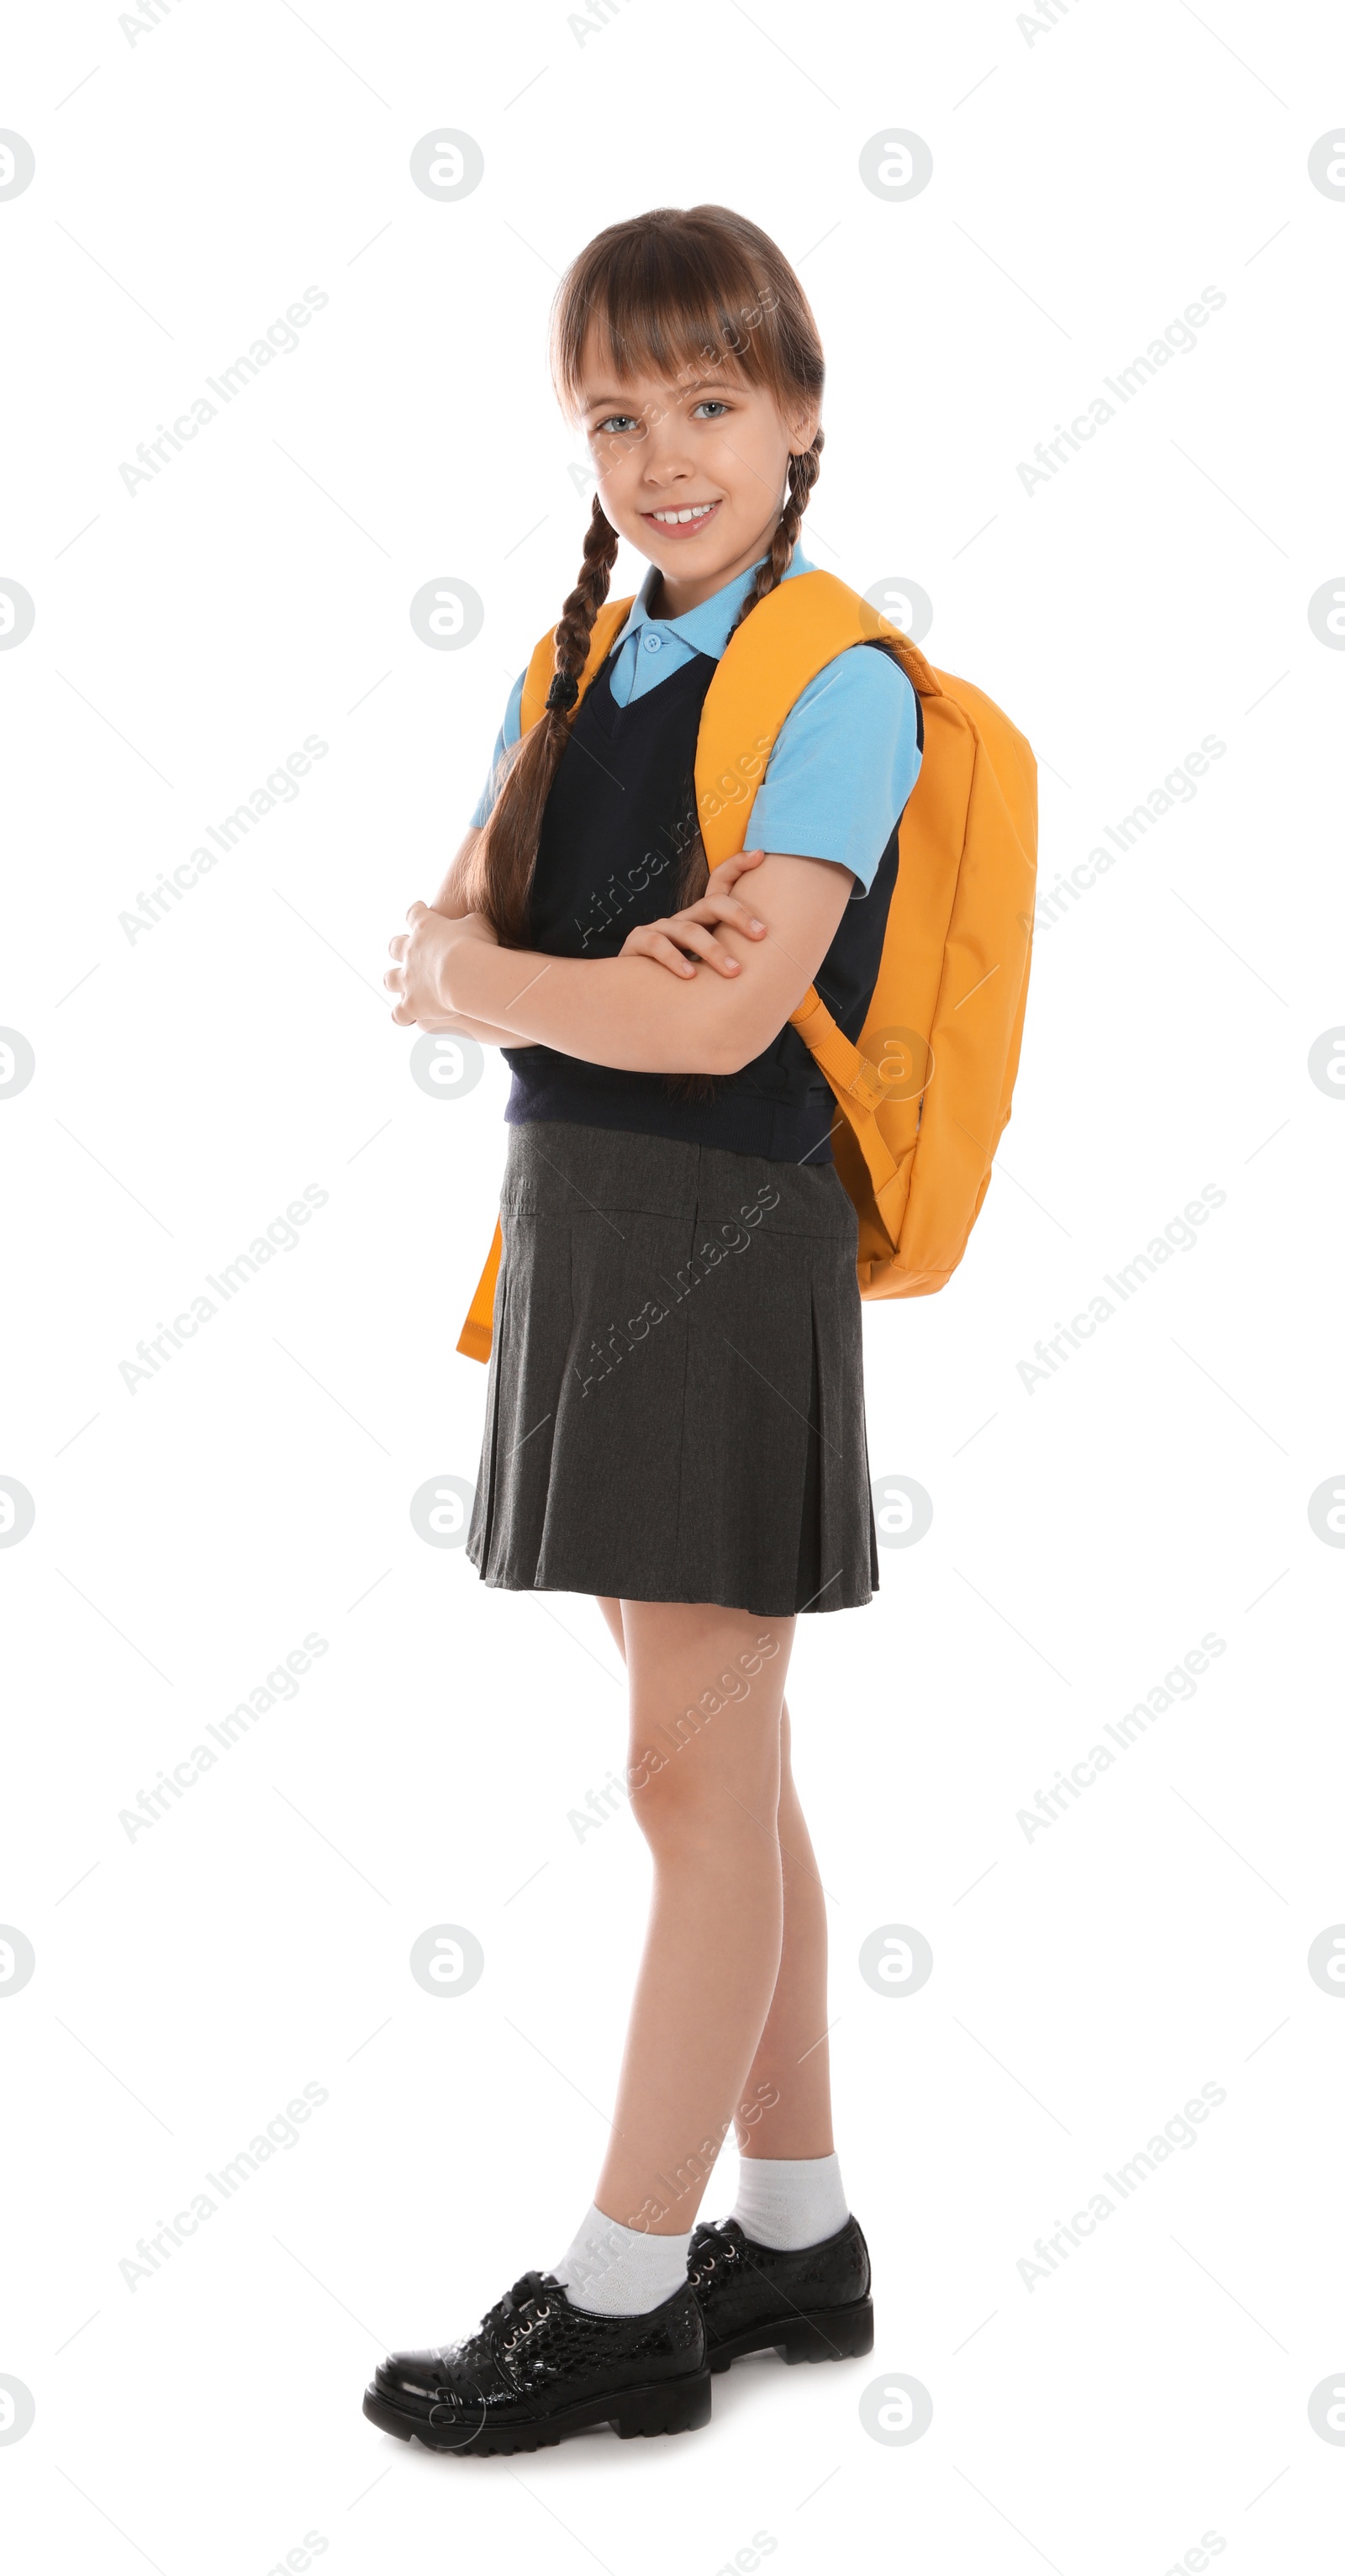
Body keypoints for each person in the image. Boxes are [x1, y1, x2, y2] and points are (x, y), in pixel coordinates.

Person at [367, 203, 922, 2458]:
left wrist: (507, 987)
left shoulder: (840, 684)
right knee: (726, 1757)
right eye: (619, 411)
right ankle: (788, 2236)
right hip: (594, 1227)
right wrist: (545, 982)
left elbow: (718, 1024)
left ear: (799, 419)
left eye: (709, 401)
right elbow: (480, 936)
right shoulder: (583, 660)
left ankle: (618, 2300)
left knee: (687, 1775)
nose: (663, 449)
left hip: (714, 1230)